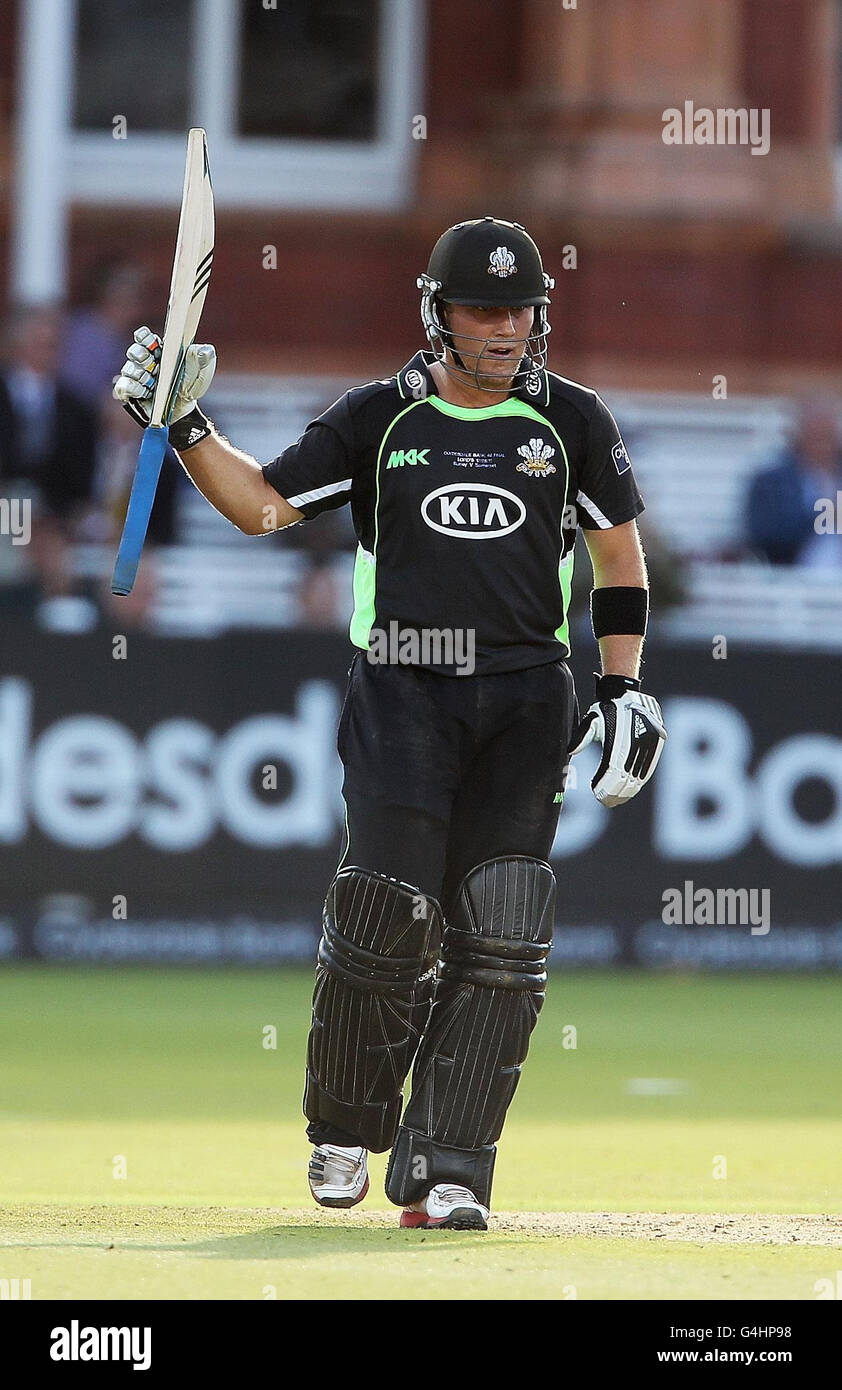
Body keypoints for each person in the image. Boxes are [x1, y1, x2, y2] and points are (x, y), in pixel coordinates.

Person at [114, 217, 667, 1230]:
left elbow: (618, 563)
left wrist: (622, 687)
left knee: (501, 932)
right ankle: (342, 1126)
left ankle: (447, 1166)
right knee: (382, 917)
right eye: (484, 310)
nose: (506, 330)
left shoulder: (571, 422)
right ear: (438, 315)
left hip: (525, 697)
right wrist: (188, 426)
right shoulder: (380, 420)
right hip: (404, 691)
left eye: (522, 311)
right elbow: (264, 508)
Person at [745, 397, 842, 567]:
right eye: (815, 435)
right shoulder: (771, 482)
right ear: (797, 436)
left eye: (827, 435)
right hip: (791, 578)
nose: (823, 444)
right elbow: (764, 538)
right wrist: (823, 516)